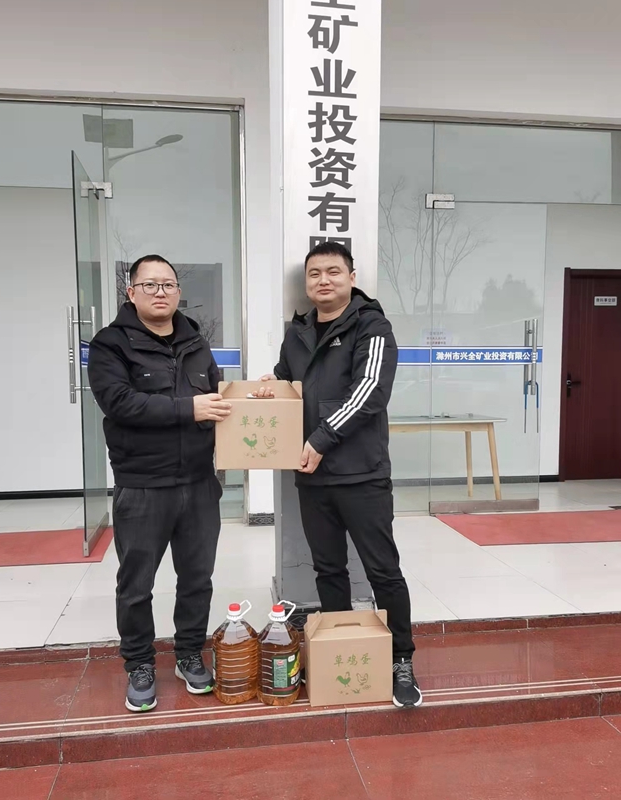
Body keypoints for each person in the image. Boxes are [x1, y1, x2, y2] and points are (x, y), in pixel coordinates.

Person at [258, 241, 422, 709]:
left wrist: (320, 439)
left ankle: (401, 659)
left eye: (333, 271)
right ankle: (341, 649)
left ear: (351, 278)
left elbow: (369, 391)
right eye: (314, 274)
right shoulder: (298, 333)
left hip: (361, 474)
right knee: (328, 569)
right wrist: (271, 386)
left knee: (382, 571)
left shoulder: (371, 326)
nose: (323, 280)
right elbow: (288, 380)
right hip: (313, 477)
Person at [88, 254, 231, 712]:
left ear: (178, 292)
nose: (161, 292)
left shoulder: (196, 343)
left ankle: (189, 653)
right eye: (150, 285)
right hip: (143, 485)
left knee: (197, 579)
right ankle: (139, 664)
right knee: (136, 584)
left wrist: (255, 396)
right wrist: (189, 408)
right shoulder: (110, 344)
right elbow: (120, 402)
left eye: (168, 284)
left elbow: (218, 399)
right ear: (131, 292)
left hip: (199, 483)